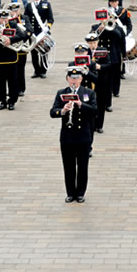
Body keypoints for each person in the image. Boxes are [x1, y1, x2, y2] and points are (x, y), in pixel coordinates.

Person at [50, 66, 97, 203]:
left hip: (83, 135)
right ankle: (70, 192)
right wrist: (63, 110)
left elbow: (94, 110)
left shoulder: (88, 93)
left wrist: (80, 104)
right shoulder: (61, 93)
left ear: (81, 79)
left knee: (82, 166)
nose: (74, 81)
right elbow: (53, 112)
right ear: (67, 79)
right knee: (68, 166)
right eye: (71, 78)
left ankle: (81, 193)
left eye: (77, 78)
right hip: (67, 136)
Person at [24, 0, 54, 79]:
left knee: (43, 51)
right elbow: (26, 18)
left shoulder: (46, 4)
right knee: (33, 53)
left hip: (42, 32)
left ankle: (43, 70)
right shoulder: (29, 6)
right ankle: (36, 70)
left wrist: (47, 27)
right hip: (33, 33)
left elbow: (50, 19)